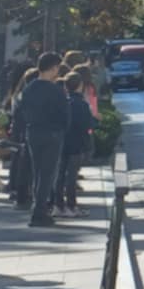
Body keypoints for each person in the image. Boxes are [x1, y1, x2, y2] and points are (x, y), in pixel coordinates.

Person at [11, 51, 71, 230]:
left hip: (33, 132)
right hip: (52, 133)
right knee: (48, 174)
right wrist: (61, 131)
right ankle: (39, 212)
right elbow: (65, 115)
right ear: (53, 68)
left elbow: (21, 112)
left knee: (38, 172)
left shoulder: (29, 89)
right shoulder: (55, 90)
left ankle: (38, 206)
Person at [59, 70, 94, 214]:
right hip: (77, 143)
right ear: (80, 86)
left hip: (62, 142)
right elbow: (88, 124)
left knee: (60, 175)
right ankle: (71, 205)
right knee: (71, 176)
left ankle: (58, 204)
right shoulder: (81, 104)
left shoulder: (63, 102)